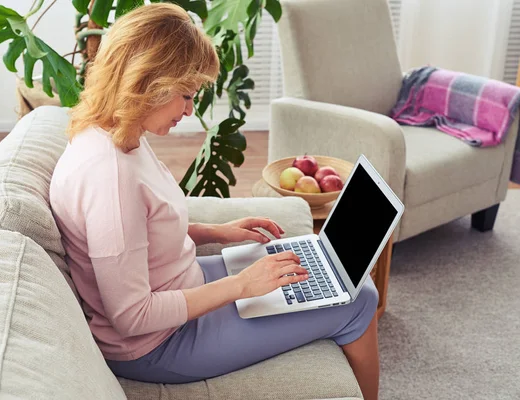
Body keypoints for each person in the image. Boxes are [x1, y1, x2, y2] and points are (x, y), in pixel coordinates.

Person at [49, 3, 380, 400]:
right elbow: (132, 316)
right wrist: (241, 285)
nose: (190, 110)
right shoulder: (109, 176)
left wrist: (216, 232)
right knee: (360, 300)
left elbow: (130, 239)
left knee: (307, 268)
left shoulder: (114, 133)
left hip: (176, 286)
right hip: (157, 342)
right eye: (186, 95)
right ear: (148, 80)